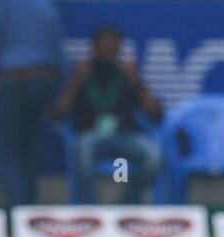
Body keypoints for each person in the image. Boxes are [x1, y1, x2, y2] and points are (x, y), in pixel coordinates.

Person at [50, 24, 164, 204]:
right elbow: (57, 115)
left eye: (112, 49)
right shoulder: (83, 74)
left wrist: (136, 79)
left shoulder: (127, 75)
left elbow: (156, 114)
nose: (107, 54)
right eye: (103, 49)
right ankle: (93, 210)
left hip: (124, 137)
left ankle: (126, 204)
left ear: (119, 49)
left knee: (153, 155)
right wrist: (75, 81)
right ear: (93, 49)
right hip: (90, 136)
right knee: (83, 151)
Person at [0, 0, 65, 208]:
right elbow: (59, 51)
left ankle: (19, 213)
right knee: (30, 151)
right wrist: (58, 94)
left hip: (14, 81)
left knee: (8, 152)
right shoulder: (44, 5)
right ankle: (29, 213)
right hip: (44, 81)